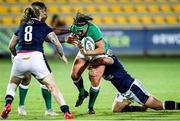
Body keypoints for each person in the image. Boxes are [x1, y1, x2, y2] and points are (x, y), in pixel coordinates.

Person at [1, 5, 74, 119]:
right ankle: (66, 111)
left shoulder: (21, 26)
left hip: (20, 57)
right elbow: (56, 42)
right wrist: (62, 55)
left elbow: (11, 46)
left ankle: (7, 104)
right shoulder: (43, 25)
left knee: (13, 84)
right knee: (52, 86)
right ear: (38, 14)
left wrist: (16, 57)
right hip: (36, 56)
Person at [87, 54, 180, 112]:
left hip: (132, 88)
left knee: (159, 106)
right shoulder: (100, 68)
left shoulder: (110, 58)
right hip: (122, 92)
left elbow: (104, 60)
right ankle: (141, 108)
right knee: (116, 109)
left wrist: (91, 63)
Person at [69, 12, 109, 114]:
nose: (79, 32)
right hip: (85, 50)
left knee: (94, 78)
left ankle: (90, 107)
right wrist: (71, 39)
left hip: (98, 52)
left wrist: (87, 52)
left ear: (86, 26)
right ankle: (82, 93)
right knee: (74, 75)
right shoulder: (74, 27)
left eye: (81, 30)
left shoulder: (94, 30)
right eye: (77, 30)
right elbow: (72, 36)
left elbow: (102, 49)